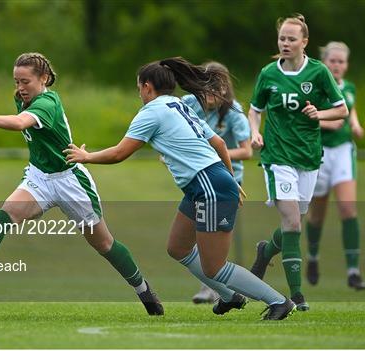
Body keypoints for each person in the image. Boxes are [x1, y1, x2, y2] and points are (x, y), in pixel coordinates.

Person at [65, 56, 295, 320]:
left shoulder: (152, 111)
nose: (139, 93)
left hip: (208, 185)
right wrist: (230, 179)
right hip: (207, 184)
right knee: (178, 247)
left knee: (214, 267)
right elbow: (219, 143)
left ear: (147, 86)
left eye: (139, 87)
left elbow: (120, 153)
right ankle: (231, 296)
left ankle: (278, 301)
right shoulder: (177, 104)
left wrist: (87, 157)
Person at [0, 52, 164, 316]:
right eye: (16, 81)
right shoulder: (22, 98)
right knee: (8, 212)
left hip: (70, 180)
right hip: (39, 177)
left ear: (44, 78)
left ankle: (143, 290)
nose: (19, 88)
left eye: (25, 81)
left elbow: (19, 124)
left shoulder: (47, 103)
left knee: (104, 244)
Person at [247, 14, 349, 311]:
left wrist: (320, 114)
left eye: (292, 39)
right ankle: (297, 296)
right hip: (278, 157)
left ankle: (266, 252)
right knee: (291, 221)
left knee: (295, 225)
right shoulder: (268, 73)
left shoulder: (318, 73)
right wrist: (255, 132)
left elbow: (340, 110)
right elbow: (255, 110)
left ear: (304, 42)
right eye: (282, 38)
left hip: (309, 156)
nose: (286, 43)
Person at [180, 62, 252, 304]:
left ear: (225, 89)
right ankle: (220, 291)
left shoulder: (234, 112)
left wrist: (214, 155)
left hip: (227, 181)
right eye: (206, 88)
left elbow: (246, 151)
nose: (210, 95)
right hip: (197, 180)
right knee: (196, 238)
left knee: (211, 237)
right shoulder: (188, 103)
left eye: (216, 89)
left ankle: (214, 290)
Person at [306, 42, 365, 290]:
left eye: (341, 61)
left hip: (343, 152)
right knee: (317, 214)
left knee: (348, 209)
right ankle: (312, 257)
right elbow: (308, 116)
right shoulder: (317, 86)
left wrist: (355, 124)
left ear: (346, 65)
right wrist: (327, 122)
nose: (337, 65)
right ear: (325, 62)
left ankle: (353, 270)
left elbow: (348, 110)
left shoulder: (349, 88)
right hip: (320, 152)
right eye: (333, 61)